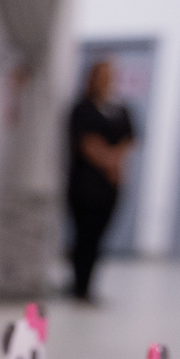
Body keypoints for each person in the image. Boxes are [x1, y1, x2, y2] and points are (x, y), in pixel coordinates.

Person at [67, 59, 135, 302]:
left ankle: (89, 285)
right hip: (86, 183)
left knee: (99, 236)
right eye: (102, 74)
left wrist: (116, 162)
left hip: (111, 184)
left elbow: (128, 140)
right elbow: (87, 143)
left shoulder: (121, 109)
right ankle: (79, 286)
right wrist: (108, 162)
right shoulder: (83, 108)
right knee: (84, 235)